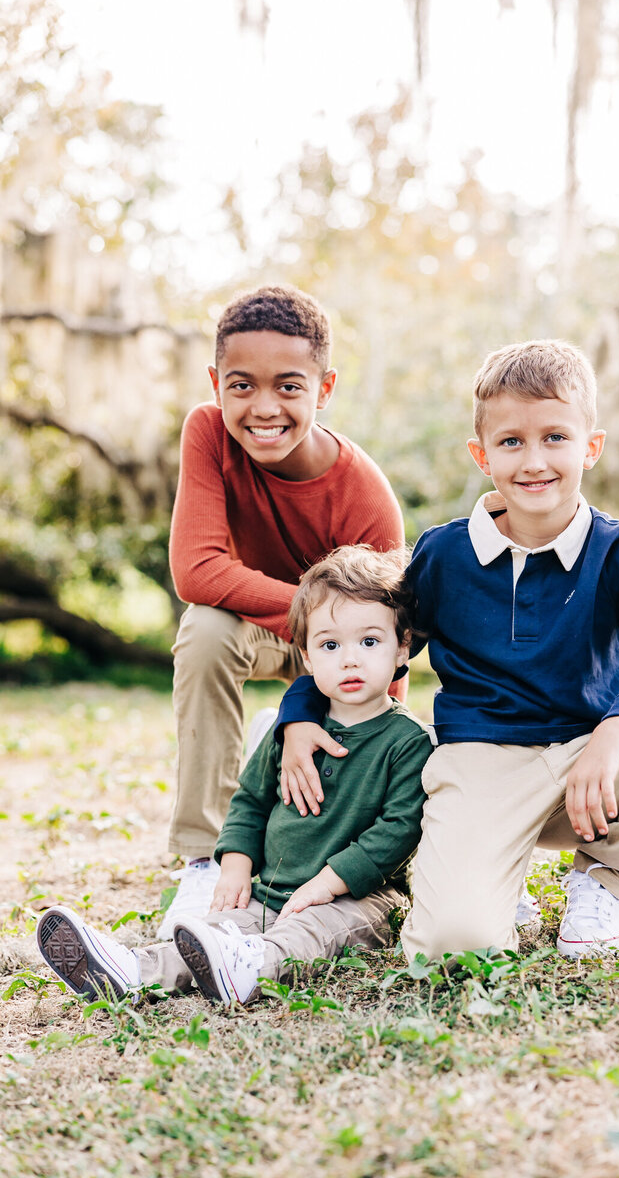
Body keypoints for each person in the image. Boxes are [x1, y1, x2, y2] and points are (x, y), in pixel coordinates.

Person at [275, 339, 619, 961]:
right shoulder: (444, 554)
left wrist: (617, 728)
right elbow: (365, 638)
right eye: (511, 441)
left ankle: (603, 881)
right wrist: (297, 713)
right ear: (481, 456)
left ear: (590, 447)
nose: (534, 460)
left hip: (593, 766)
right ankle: (484, 875)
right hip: (481, 765)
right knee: (454, 947)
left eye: (555, 438)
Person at [36, 547, 433, 1006]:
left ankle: (251, 970)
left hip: (359, 900)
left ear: (402, 646)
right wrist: (236, 868)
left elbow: (397, 831)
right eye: (330, 645)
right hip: (270, 891)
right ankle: (131, 970)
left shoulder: (407, 741)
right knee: (216, 931)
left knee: (306, 933)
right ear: (305, 656)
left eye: (369, 642)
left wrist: (324, 885)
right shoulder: (296, 730)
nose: (349, 659)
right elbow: (250, 799)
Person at [162, 284, 406, 937]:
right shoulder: (207, 431)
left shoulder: (364, 495)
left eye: (289, 387)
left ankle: (283, 744)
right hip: (267, 632)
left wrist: (319, 715)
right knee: (207, 627)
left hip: (342, 658)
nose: (263, 407)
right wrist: (326, 609)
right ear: (216, 384)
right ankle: (204, 858)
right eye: (241, 385)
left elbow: (382, 648)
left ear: (325, 390)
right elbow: (197, 571)